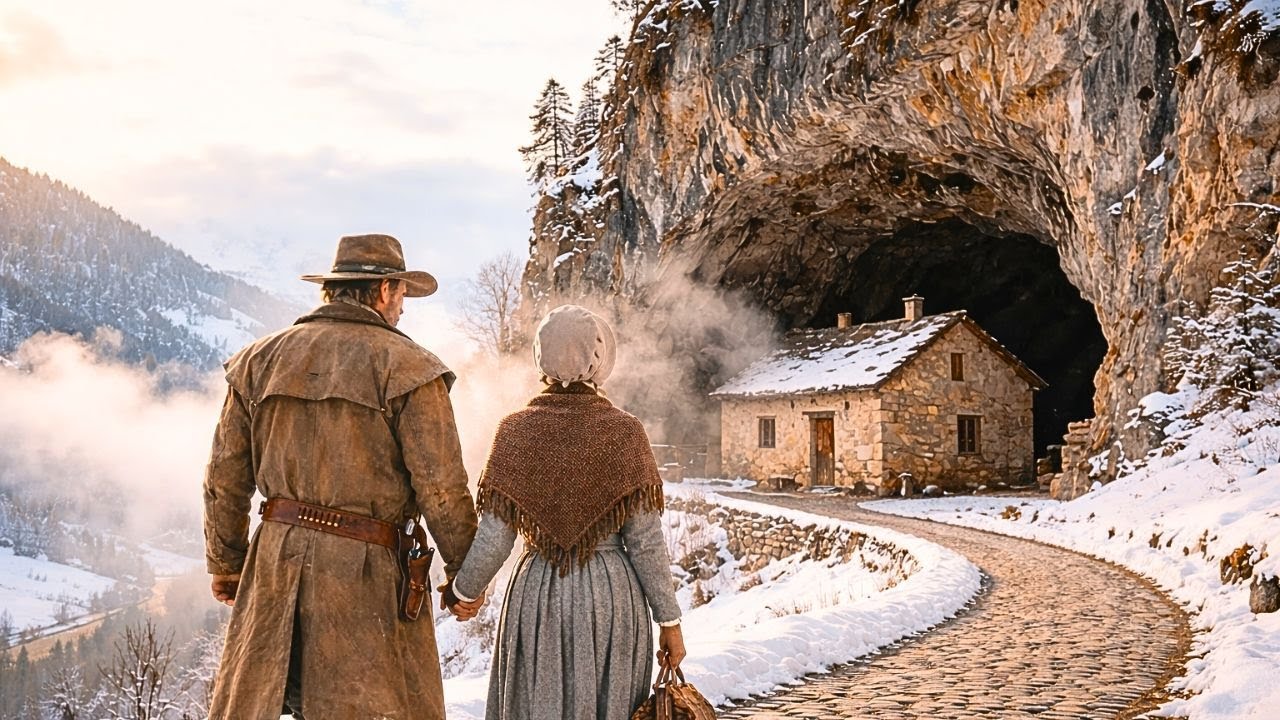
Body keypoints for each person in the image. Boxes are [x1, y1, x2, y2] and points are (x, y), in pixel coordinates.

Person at [202, 233, 478, 719]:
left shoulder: (258, 361)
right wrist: (465, 576)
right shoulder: (411, 368)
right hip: (365, 577)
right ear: (385, 289)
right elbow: (441, 488)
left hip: (274, 563)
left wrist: (226, 561)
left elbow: (225, 477)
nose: (403, 309)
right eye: (402, 295)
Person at [449, 304, 686, 720]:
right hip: (612, 602)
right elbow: (646, 542)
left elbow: (495, 535)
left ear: (542, 357)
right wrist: (669, 620)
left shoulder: (514, 430)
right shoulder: (626, 432)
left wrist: (463, 591)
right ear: (598, 361)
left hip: (539, 597)